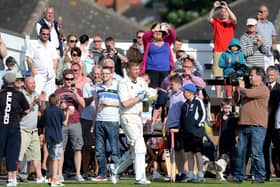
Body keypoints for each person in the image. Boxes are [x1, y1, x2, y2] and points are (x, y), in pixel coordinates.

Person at [113, 61, 151, 184]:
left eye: (138, 69)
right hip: (127, 116)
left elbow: (146, 100)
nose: (137, 71)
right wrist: (138, 98)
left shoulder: (141, 81)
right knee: (140, 147)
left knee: (136, 149)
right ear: (128, 70)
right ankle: (140, 178)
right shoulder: (123, 83)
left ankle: (116, 169)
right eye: (134, 69)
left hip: (139, 117)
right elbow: (125, 103)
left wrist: (146, 116)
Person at [230, 66, 269, 183]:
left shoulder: (263, 89)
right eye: (250, 75)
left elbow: (249, 94)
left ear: (260, 77)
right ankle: (238, 176)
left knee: (256, 152)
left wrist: (240, 87)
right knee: (240, 152)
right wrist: (235, 88)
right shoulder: (247, 89)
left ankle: (260, 176)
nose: (250, 77)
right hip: (244, 124)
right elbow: (236, 100)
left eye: (252, 75)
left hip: (257, 125)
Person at [55, 69, 85, 182]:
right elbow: (54, 106)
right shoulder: (58, 91)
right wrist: (60, 107)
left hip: (75, 121)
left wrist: (75, 94)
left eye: (71, 79)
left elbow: (83, 104)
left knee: (78, 148)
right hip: (62, 123)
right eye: (67, 79)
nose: (69, 81)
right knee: (61, 149)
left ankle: (78, 173)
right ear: (63, 79)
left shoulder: (77, 90)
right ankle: (59, 173)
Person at [91, 66, 120, 182]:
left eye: (107, 73)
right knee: (99, 150)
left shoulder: (117, 85)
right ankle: (102, 174)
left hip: (112, 121)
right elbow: (96, 107)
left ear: (112, 74)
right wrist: (93, 124)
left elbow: (122, 102)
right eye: (103, 74)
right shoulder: (98, 87)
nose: (104, 76)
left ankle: (116, 173)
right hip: (99, 121)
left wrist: (109, 103)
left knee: (114, 149)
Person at [0, 72, 29, 187]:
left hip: (2, 126)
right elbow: (26, 110)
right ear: (14, 82)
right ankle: (12, 178)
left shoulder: (1, 95)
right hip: (14, 127)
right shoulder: (19, 95)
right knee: (13, 152)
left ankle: (10, 178)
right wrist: (19, 115)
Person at [18, 77, 47, 183]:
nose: (33, 85)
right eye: (30, 83)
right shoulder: (20, 95)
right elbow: (24, 111)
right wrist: (34, 102)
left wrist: (43, 102)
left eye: (34, 83)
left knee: (36, 155)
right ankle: (12, 175)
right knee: (19, 155)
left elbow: (42, 111)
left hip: (34, 130)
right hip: (23, 129)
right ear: (25, 85)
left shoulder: (36, 94)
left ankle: (39, 177)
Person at [208, 1, 237, 97]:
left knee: (230, 76)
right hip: (218, 52)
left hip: (230, 52)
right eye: (222, 11)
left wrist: (227, 7)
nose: (223, 13)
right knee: (218, 76)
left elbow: (235, 19)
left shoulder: (231, 23)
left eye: (225, 11)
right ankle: (218, 97)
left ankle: (230, 97)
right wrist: (214, 8)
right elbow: (209, 19)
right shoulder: (217, 22)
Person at [179, 83, 206, 183]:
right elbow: (182, 118)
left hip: (196, 133)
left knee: (197, 153)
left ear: (190, 92)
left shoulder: (198, 101)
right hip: (186, 133)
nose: (183, 93)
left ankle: (200, 174)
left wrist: (198, 124)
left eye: (184, 91)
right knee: (189, 154)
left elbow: (203, 114)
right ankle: (190, 174)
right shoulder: (185, 104)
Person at [162, 74, 186, 181]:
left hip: (178, 127)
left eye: (173, 84)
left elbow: (183, 113)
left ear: (179, 84)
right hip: (171, 126)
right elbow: (170, 112)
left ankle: (184, 172)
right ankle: (178, 172)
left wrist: (180, 127)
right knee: (174, 151)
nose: (171, 86)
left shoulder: (182, 96)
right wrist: (166, 125)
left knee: (181, 150)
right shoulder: (172, 95)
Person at [44, 93, 70, 187]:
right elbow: (65, 123)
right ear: (58, 101)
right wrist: (67, 114)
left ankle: (51, 177)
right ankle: (54, 178)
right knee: (56, 159)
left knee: (51, 157)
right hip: (57, 137)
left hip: (48, 136)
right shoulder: (59, 111)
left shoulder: (46, 110)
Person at [26, 25, 59, 99]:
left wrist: (54, 71)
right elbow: (28, 59)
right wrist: (33, 70)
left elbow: (55, 59)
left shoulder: (51, 45)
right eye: (43, 34)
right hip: (39, 75)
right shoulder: (33, 44)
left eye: (47, 34)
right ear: (40, 34)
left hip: (50, 76)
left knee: (49, 98)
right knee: (36, 96)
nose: (45, 36)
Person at [81, 65, 102, 178]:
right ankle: (84, 171)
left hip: (100, 118)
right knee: (87, 146)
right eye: (95, 73)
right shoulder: (87, 86)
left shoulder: (104, 86)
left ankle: (98, 171)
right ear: (92, 74)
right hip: (87, 118)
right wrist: (94, 96)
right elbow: (85, 102)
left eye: (99, 74)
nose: (97, 76)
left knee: (99, 147)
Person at [141, 22, 176, 88]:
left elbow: (173, 36)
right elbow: (145, 36)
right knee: (153, 90)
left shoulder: (167, 42)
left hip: (165, 70)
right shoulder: (148, 43)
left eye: (160, 31)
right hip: (151, 70)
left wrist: (169, 28)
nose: (158, 32)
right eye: (156, 31)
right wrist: (154, 29)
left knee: (164, 89)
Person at [263, 65, 280, 180]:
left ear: (277, 75)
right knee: (264, 149)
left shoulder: (279, 88)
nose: (270, 77)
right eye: (268, 75)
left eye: (272, 75)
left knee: (278, 149)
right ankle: (266, 174)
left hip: (276, 124)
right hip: (263, 124)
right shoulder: (262, 88)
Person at [214, 98, 238, 175]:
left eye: (228, 108)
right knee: (222, 156)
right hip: (222, 139)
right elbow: (217, 126)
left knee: (232, 156)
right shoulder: (219, 115)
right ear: (222, 107)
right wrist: (222, 120)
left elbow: (236, 126)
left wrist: (231, 119)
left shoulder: (233, 116)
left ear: (231, 107)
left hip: (231, 138)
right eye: (225, 108)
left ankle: (233, 172)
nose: (227, 109)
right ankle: (223, 171)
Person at [256, 5, 278, 69]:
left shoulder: (270, 24)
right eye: (261, 11)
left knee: (271, 73)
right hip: (260, 54)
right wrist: (257, 20)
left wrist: (275, 51)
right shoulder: (255, 24)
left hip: (270, 54)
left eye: (264, 11)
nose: (263, 13)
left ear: (267, 13)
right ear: (258, 12)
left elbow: (274, 38)